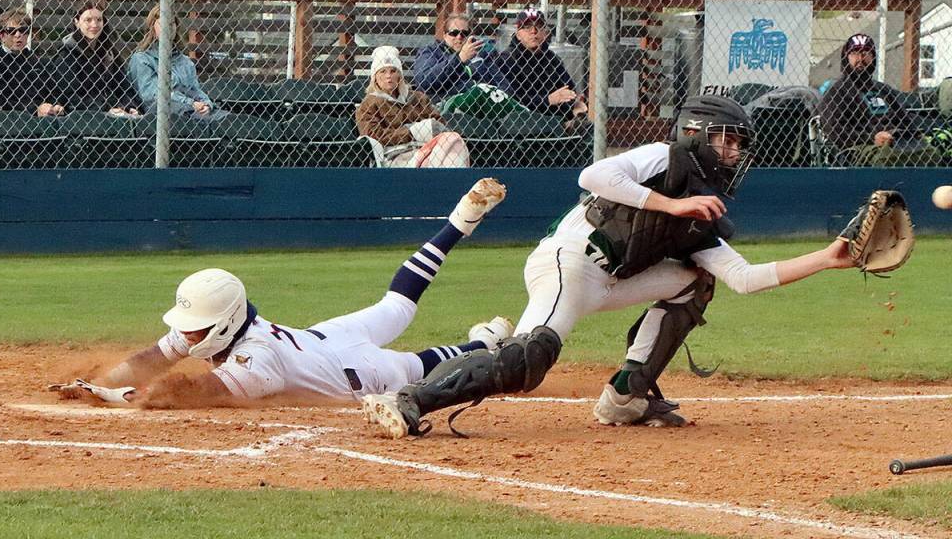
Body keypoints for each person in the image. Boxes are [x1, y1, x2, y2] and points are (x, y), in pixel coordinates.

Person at [362, 95, 857, 439]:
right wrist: (671, 205)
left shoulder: (703, 209)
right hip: (571, 261)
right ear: (696, 134)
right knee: (526, 361)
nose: (733, 152)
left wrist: (828, 258)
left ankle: (626, 397)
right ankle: (408, 399)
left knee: (694, 280)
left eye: (738, 145)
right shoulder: (663, 157)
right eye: (726, 140)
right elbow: (594, 174)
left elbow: (744, 279)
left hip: (610, 279)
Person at [52, 179, 509, 408]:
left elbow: (187, 393)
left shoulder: (256, 359)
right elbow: (154, 358)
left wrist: (113, 397)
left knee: (423, 362)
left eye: (196, 331)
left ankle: (485, 342)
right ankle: (457, 231)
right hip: (323, 337)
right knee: (395, 305)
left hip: (359, 371)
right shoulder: (216, 327)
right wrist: (102, 380)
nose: (187, 338)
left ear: (225, 323)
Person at [356, 45, 471, 167]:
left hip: (430, 148)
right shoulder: (368, 105)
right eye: (383, 71)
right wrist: (412, 132)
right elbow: (374, 135)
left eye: (393, 71)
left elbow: (438, 122)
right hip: (395, 155)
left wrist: (429, 128)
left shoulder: (418, 98)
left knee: (454, 140)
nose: (388, 76)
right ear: (375, 77)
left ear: (399, 75)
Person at [481, 8, 586, 122]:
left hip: (552, 119)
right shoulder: (506, 60)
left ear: (545, 33)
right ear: (518, 34)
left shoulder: (553, 59)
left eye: (539, 26)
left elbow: (568, 91)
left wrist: (573, 103)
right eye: (527, 27)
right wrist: (548, 100)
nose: (534, 31)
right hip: (518, 121)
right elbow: (509, 100)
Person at [128, 5, 224, 120]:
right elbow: (153, 95)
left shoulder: (185, 62)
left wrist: (207, 104)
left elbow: (195, 90)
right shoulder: (142, 59)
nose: (168, 27)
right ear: (152, 28)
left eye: (171, 23)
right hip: (160, 115)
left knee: (225, 118)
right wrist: (190, 103)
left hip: (192, 110)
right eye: (162, 23)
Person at [819, 33, 908, 156]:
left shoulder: (882, 89)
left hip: (896, 143)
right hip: (859, 148)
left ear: (873, 57)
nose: (860, 59)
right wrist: (872, 138)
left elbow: (904, 121)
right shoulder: (837, 91)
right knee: (887, 157)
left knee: (930, 152)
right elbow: (834, 129)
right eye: (854, 53)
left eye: (865, 53)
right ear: (846, 58)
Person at [0, 7, 66, 117]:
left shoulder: (38, 63)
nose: (18, 35)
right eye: (12, 31)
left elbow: (53, 91)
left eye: (23, 30)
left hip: (41, 120)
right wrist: (35, 109)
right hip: (7, 122)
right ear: (2, 36)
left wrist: (56, 105)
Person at [52, 1, 138, 115]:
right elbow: (71, 96)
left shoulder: (110, 52)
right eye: (88, 20)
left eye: (99, 20)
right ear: (76, 22)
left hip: (110, 115)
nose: (94, 25)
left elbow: (123, 86)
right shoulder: (66, 54)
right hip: (79, 116)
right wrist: (106, 109)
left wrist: (129, 106)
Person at [411, 14, 497, 102]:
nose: (459, 37)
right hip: (444, 106)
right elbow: (425, 81)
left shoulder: (480, 54)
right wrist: (459, 59)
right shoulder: (430, 52)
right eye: (454, 33)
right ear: (445, 35)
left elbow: (501, 82)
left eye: (464, 33)